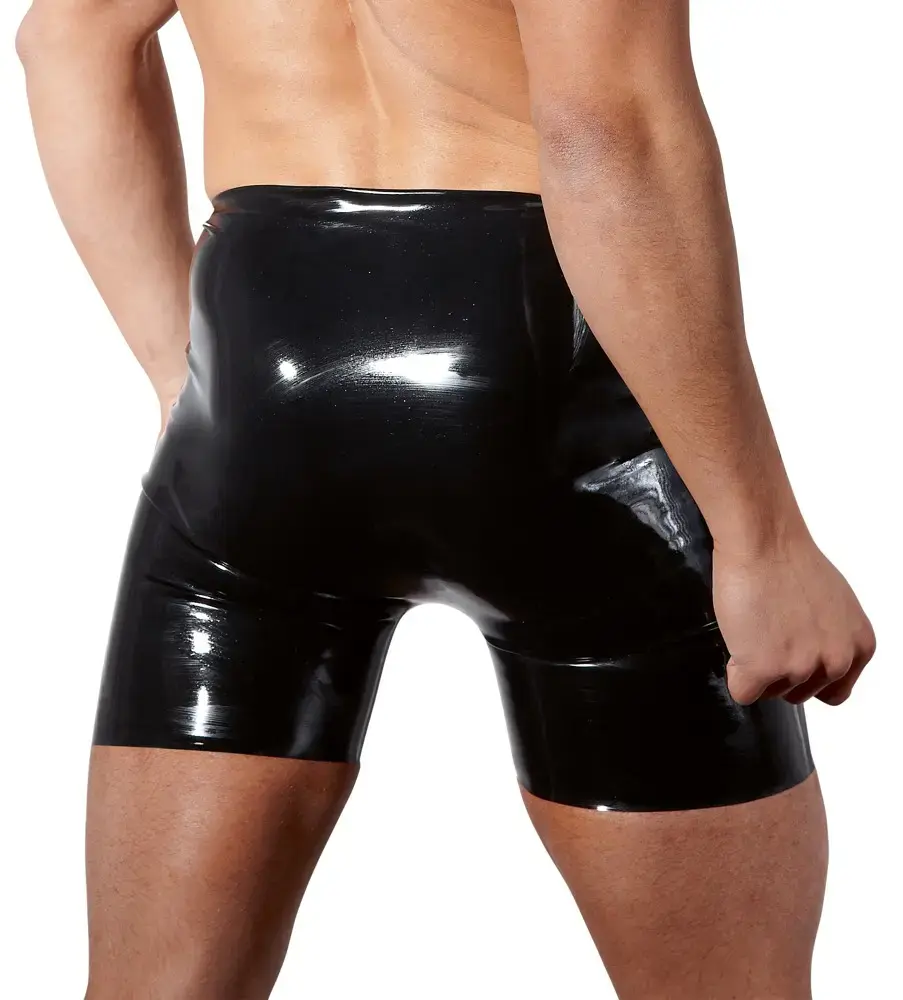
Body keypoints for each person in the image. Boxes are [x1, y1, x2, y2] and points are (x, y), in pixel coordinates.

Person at [17, 2, 876, 998]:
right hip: (538, 374)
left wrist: (187, 377)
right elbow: (609, 130)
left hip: (261, 375)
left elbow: (65, 38)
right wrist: (761, 537)